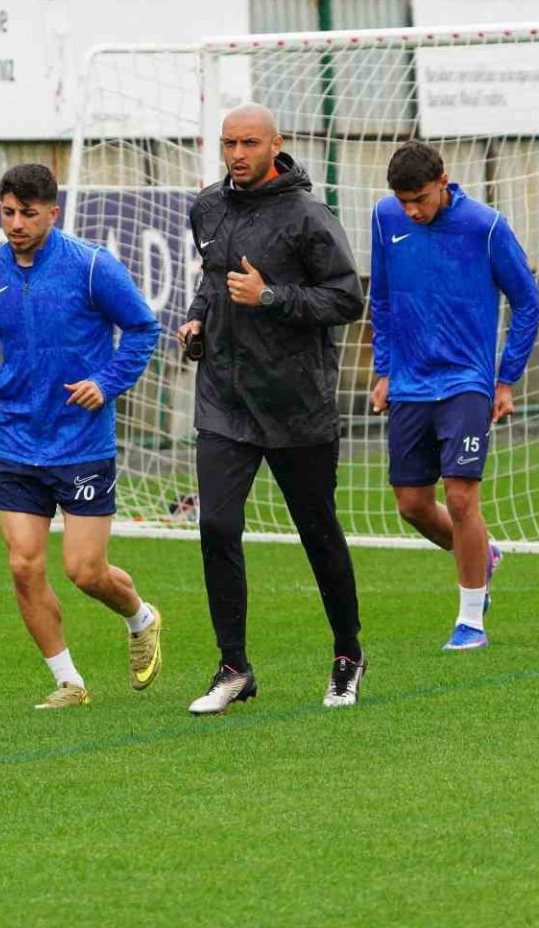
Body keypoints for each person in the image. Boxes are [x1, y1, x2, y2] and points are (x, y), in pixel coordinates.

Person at [0, 163, 163, 709]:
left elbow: (142, 328)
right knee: (22, 564)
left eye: (28, 214)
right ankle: (68, 682)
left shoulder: (90, 267)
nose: (16, 224)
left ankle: (141, 618)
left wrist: (105, 383)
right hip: (17, 441)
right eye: (8, 212)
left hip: (81, 442)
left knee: (85, 571)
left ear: (53, 213)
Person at [176, 104, 367, 713]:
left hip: (296, 404)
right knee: (215, 526)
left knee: (318, 532)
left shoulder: (309, 215)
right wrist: (198, 320)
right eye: (228, 143)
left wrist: (270, 297)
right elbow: (212, 280)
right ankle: (233, 667)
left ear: (275, 144)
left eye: (249, 143)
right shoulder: (207, 207)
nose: (237, 154)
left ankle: (348, 653)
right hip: (224, 401)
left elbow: (346, 300)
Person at [367, 141, 539, 651]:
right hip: (409, 381)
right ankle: (482, 555)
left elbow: (527, 303)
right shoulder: (384, 217)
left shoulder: (486, 226)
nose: (411, 211)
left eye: (420, 199)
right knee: (412, 505)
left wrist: (505, 379)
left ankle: (470, 621)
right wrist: (384, 371)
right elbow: (382, 298)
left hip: (467, 381)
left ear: (443, 180)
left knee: (461, 498)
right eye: (403, 201)